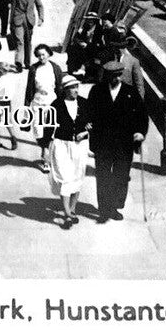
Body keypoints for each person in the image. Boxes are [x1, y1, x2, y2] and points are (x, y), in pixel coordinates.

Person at [87, 61, 148, 222]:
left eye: (115, 76)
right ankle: (104, 209)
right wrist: (87, 122)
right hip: (103, 143)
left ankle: (115, 206)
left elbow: (141, 115)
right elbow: (88, 111)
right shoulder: (97, 91)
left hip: (124, 143)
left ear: (120, 75)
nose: (113, 79)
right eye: (109, 76)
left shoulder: (130, 92)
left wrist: (140, 132)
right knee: (103, 176)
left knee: (121, 176)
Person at [47, 75, 92, 228]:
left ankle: (72, 210)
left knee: (77, 177)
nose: (75, 90)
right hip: (62, 145)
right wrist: (47, 145)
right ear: (65, 90)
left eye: (76, 87)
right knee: (65, 178)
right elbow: (48, 125)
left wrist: (85, 132)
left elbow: (93, 122)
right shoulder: (57, 104)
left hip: (80, 146)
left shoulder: (85, 103)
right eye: (72, 88)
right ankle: (67, 214)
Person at [24, 44, 64, 172]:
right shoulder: (34, 69)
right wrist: (26, 106)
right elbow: (29, 88)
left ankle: (46, 157)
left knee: (50, 129)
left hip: (51, 101)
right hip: (38, 101)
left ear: (48, 54)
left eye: (44, 54)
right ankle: (44, 151)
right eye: (39, 55)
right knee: (38, 129)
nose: (41, 57)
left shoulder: (55, 68)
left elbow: (60, 87)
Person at [9, 0, 45, 68]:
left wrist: (41, 18)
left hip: (29, 20)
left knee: (28, 42)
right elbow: (12, 8)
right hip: (18, 20)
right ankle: (19, 62)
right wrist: (11, 22)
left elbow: (39, 6)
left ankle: (27, 63)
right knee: (19, 41)